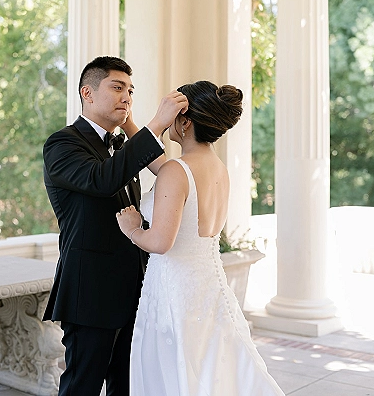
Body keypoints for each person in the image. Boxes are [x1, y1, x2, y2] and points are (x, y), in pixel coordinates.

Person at [116, 80, 285, 396]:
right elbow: (169, 172)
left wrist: (133, 229)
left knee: (177, 369)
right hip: (207, 285)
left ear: (185, 121)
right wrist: (130, 124)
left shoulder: (177, 171)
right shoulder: (217, 167)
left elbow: (161, 243)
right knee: (210, 367)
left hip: (175, 287)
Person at [42, 55, 188, 396]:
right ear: (88, 94)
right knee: (83, 385)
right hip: (90, 290)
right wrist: (156, 125)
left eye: (131, 90)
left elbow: (167, 172)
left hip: (134, 287)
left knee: (128, 383)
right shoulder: (63, 143)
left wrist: (135, 127)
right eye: (117, 87)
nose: (127, 96)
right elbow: (101, 180)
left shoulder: (122, 145)